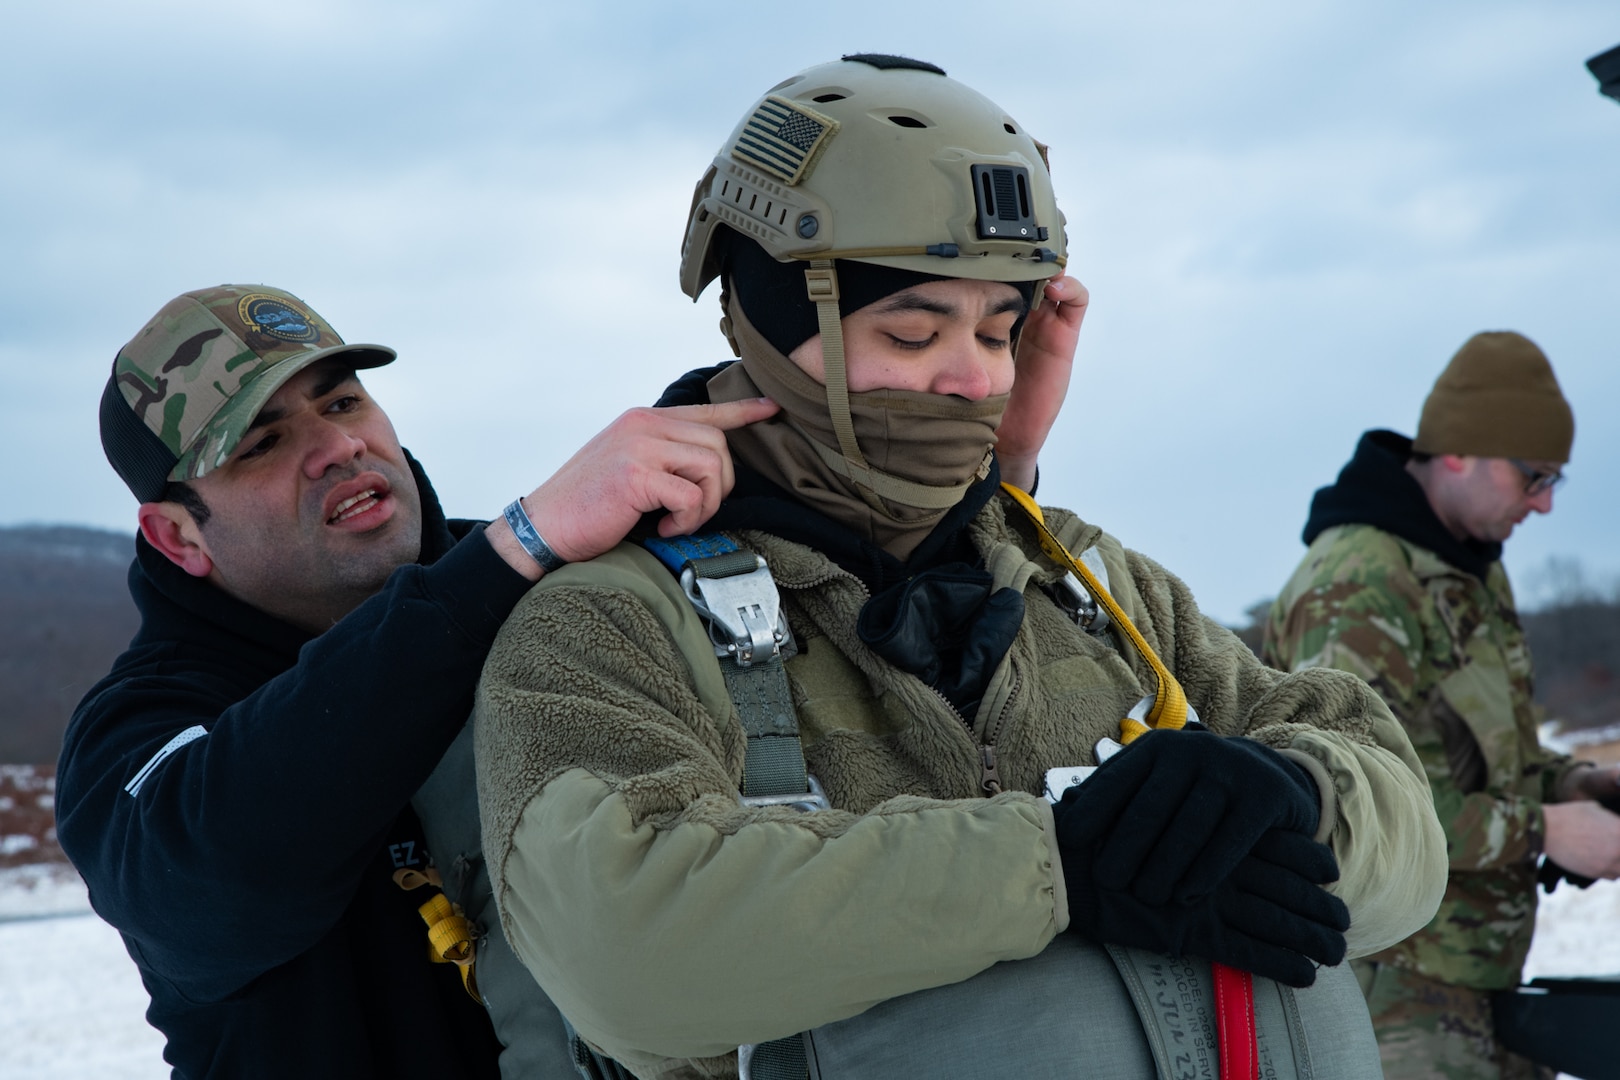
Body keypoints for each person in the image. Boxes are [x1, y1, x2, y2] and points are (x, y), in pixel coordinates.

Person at [474, 54, 1448, 1079]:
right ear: (771, 322)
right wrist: (1056, 866)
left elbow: (1407, 832)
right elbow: (631, 953)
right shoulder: (606, 623)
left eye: (997, 330)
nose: (969, 377)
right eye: (912, 329)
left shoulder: (1091, 585)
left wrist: (1290, 792)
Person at [56, 283, 784, 1079]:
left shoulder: (542, 583)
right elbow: (202, 878)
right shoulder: (138, 729)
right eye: (260, 443)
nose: (336, 447)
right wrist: (515, 552)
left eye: (340, 403)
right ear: (177, 536)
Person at [1264, 331, 1620, 1080]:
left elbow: (1465, 755)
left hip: (1475, 985)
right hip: (1392, 991)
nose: (1547, 504)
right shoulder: (1359, 583)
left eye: (1556, 480)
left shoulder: (1468, 571)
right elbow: (1354, 811)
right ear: (1459, 452)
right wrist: (1545, 830)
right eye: (1534, 477)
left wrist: (1570, 786)